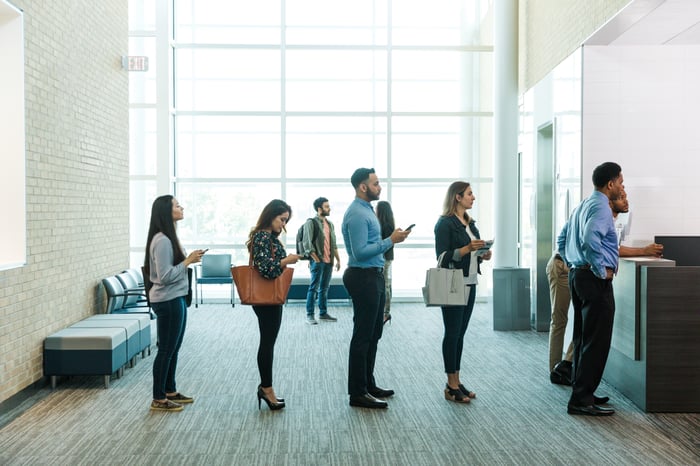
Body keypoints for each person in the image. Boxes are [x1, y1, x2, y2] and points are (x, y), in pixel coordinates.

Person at [548, 189, 663, 387]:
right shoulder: (598, 212)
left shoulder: (608, 216)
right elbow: (587, 243)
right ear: (611, 199)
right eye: (623, 196)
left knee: (583, 327)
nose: (627, 201)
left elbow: (607, 249)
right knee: (560, 320)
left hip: (578, 268)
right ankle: (556, 371)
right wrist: (598, 269)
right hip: (563, 266)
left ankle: (569, 369)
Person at [557, 161, 623, 416]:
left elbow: (562, 239)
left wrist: (573, 261)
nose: (622, 186)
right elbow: (588, 239)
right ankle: (581, 400)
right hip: (593, 281)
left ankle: (583, 392)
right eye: (620, 182)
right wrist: (596, 268)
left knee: (584, 338)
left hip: (578, 276)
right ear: (610, 184)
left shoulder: (584, 204)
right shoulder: (603, 208)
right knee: (596, 341)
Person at [342, 168, 410, 409]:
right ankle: (357, 392)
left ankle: (368, 384)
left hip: (374, 275)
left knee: (374, 334)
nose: (380, 187)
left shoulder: (367, 211)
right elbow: (360, 252)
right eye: (376, 183)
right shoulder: (357, 214)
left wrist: (390, 240)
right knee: (362, 336)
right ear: (363, 187)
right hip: (363, 277)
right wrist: (390, 240)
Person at [145, 195, 205, 412]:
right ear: (166, 212)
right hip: (167, 300)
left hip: (176, 297)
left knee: (174, 348)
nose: (182, 207)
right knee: (166, 350)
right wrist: (188, 261)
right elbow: (164, 276)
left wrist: (187, 259)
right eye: (177, 205)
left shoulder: (170, 237)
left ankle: (170, 390)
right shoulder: (162, 240)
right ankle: (158, 398)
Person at [434, 181, 492, 404]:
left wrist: (482, 253)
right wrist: (468, 249)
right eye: (469, 194)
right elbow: (441, 257)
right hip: (452, 281)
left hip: (470, 281)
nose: (473, 197)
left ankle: (457, 380)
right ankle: (451, 384)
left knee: (460, 333)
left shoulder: (469, 222)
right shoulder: (444, 224)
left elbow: (474, 249)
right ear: (457, 197)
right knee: (452, 332)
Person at [246, 199, 301, 411]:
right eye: (281, 219)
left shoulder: (267, 237)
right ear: (270, 215)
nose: (283, 224)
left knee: (268, 342)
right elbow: (266, 269)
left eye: (286, 220)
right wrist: (286, 261)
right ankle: (266, 388)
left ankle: (267, 387)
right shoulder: (262, 236)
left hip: (271, 298)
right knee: (267, 343)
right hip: (266, 299)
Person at [301, 197, 341, 325]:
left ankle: (323, 313)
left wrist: (338, 260)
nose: (329, 209)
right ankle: (310, 315)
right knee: (313, 288)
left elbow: (333, 244)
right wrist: (316, 260)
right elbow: (307, 244)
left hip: (329, 261)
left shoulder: (330, 224)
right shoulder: (311, 223)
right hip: (318, 261)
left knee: (324, 288)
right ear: (319, 209)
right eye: (326, 206)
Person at [375, 201, 395, 324]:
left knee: (385, 285)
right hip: (385, 258)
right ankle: (384, 312)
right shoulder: (386, 224)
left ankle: (386, 313)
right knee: (385, 284)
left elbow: (384, 245)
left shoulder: (386, 226)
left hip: (384, 258)